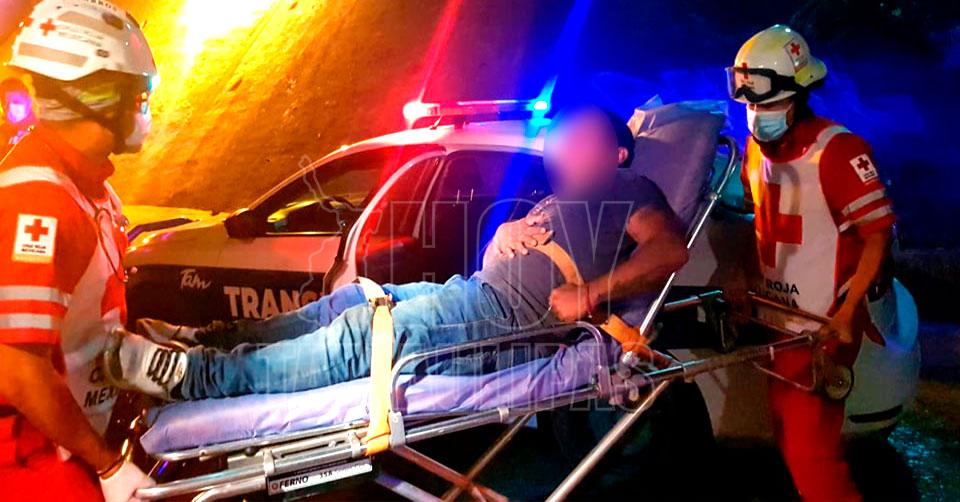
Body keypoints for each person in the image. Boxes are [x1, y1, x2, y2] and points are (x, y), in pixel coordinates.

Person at [105, 105, 690, 401]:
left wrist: (589, 293)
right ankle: (203, 341)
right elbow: (525, 249)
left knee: (361, 338)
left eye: (577, 136)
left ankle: (196, 377)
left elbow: (669, 251)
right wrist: (502, 237)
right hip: (470, 295)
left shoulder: (628, 188)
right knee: (342, 304)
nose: (559, 146)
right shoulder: (560, 199)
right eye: (557, 137)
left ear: (617, 152)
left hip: (505, 320)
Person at [727, 25, 896, 502]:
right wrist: (742, 274)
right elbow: (759, 222)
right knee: (788, 435)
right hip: (778, 320)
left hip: (823, 324)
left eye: (766, 102)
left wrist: (848, 311)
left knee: (811, 452)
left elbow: (877, 236)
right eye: (748, 101)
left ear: (799, 93)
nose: (756, 114)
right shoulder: (755, 149)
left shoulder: (838, 150)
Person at [0, 0, 159, 499]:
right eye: (137, 94)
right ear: (98, 97)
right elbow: (17, 368)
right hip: (33, 454)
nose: (143, 110)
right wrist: (107, 466)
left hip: (78, 425)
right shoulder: (37, 202)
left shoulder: (87, 187)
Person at [0, 78, 36, 156]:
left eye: (16, 101)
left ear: (28, 101)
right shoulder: (2, 132)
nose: (11, 108)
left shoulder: (40, 131)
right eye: (5, 103)